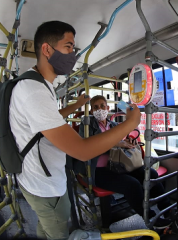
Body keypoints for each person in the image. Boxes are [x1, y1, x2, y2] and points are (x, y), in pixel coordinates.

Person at [9, 21, 140, 240]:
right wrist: (130, 124)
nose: (73, 54)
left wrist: (75, 106)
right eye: (69, 47)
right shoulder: (34, 92)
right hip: (44, 186)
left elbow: (49, 118)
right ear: (47, 49)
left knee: (47, 228)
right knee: (57, 233)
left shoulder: (42, 86)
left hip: (47, 177)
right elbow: (82, 150)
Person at [75, 95, 171, 229]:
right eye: (95, 107)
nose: (99, 109)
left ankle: (167, 209)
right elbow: (89, 146)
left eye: (102, 106)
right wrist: (118, 144)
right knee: (131, 185)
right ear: (91, 111)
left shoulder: (114, 125)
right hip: (98, 170)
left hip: (117, 165)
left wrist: (128, 143)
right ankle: (150, 219)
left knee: (151, 174)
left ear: (108, 108)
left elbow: (122, 142)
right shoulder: (87, 124)